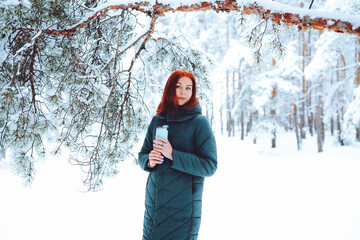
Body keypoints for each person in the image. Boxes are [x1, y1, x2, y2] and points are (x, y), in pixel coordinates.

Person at [138, 69, 217, 240]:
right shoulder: (157, 120)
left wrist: (173, 154)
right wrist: (149, 160)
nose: (183, 92)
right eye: (178, 86)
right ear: (169, 89)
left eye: (188, 88)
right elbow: (142, 154)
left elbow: (210, 166)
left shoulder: (199, 123)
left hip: (183, 208)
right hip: (154, 204)